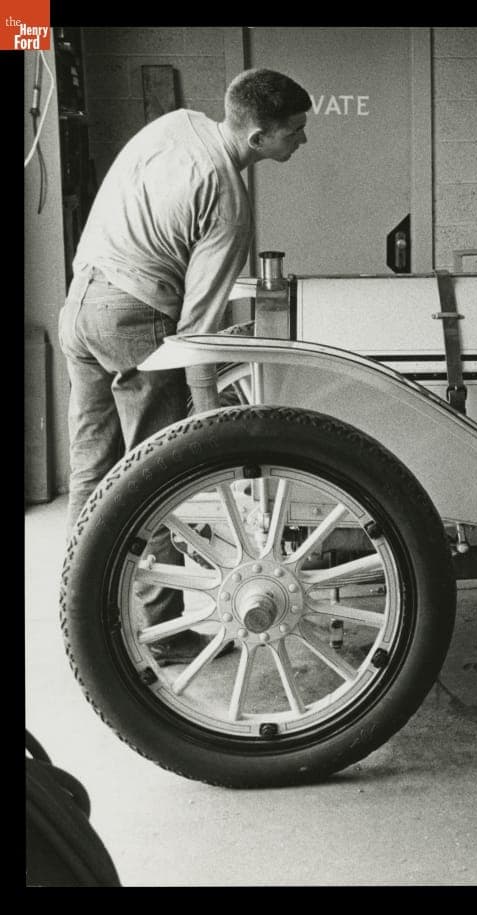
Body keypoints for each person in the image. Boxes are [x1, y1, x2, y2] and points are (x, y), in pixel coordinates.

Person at [58, 68, 312, 663]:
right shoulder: (229, 200)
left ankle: (81, 607)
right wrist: (209, 419)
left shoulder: (176, 125)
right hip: (133, 318)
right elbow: (198, 333)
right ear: (257, 138)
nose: (302, 141)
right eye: (293, 132)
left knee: (94, 465)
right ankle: (163, 631)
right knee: (158, 479)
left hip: (83, 299)